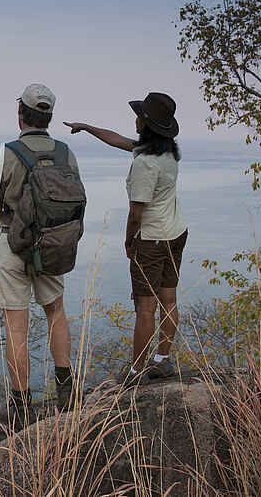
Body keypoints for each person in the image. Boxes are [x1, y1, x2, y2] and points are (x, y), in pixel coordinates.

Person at [63, 92, 187, 387]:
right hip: (176, 233)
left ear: (146, 123)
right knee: (168, 298)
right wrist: (88, 127)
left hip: (153, 240)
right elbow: (118, 140)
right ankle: (162, 361)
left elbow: (136, 212)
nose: (135, 119)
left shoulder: (145, 164)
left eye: (139, 115)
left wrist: (129, 242)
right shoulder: (165, 152)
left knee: (146, 308)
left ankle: (135, 372)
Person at [0, 83, 80, 421]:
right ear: (49, 117)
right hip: (54, 245)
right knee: (56, 312)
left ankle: (22, 406)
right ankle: (66, 389)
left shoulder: (3, 154)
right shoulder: (66, 153)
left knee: (15, 326)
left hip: (13, 245)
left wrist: (15, 226)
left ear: (20, 113)